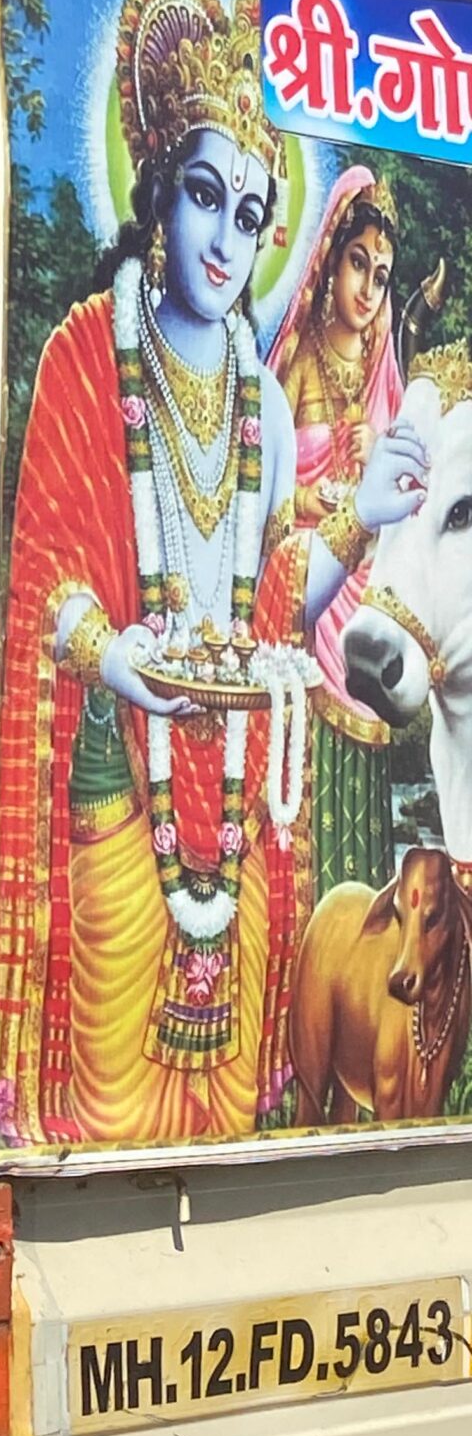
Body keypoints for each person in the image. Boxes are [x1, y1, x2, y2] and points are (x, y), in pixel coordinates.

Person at [0, 0, 426, 1153]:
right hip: (116, 770)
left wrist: (366, 516)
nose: (225, 238)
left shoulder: (265, 408)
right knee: (112, 1076)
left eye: (249, 212)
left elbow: (275, 600)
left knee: (230, 1095)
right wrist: (115, 660)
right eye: (201, 194)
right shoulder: (89, 350)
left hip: (236, 805)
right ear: (155, 193)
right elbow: (49, 574)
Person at [265, 168, 403, 907]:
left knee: (365, 785)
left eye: (381, 275)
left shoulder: (384, 373)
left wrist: (375, 472)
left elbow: (401, 510)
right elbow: (260, 503)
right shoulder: (291, 363)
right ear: (330, 257)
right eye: (358, 262)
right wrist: (323, 496)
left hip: (363, 611)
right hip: (303, 597)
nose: (368, 288)